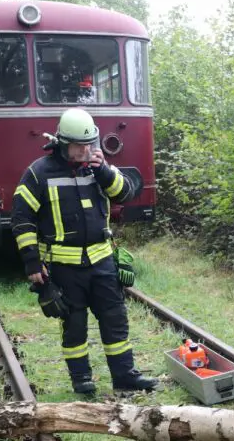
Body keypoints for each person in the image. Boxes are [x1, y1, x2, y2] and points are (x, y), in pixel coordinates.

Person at [10, 108, 156, 395]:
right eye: (79, 145)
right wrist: (31, 262)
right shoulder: (38, 173)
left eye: (90, 144)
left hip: (102, 262)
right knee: (74, 324)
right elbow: (22, 219)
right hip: (64, 267)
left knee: (115, 319)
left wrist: (103, 170)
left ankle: (125, 376)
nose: (85, 150)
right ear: (63, 143)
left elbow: (125, 192)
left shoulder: (99, 167)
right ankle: (81, 380)